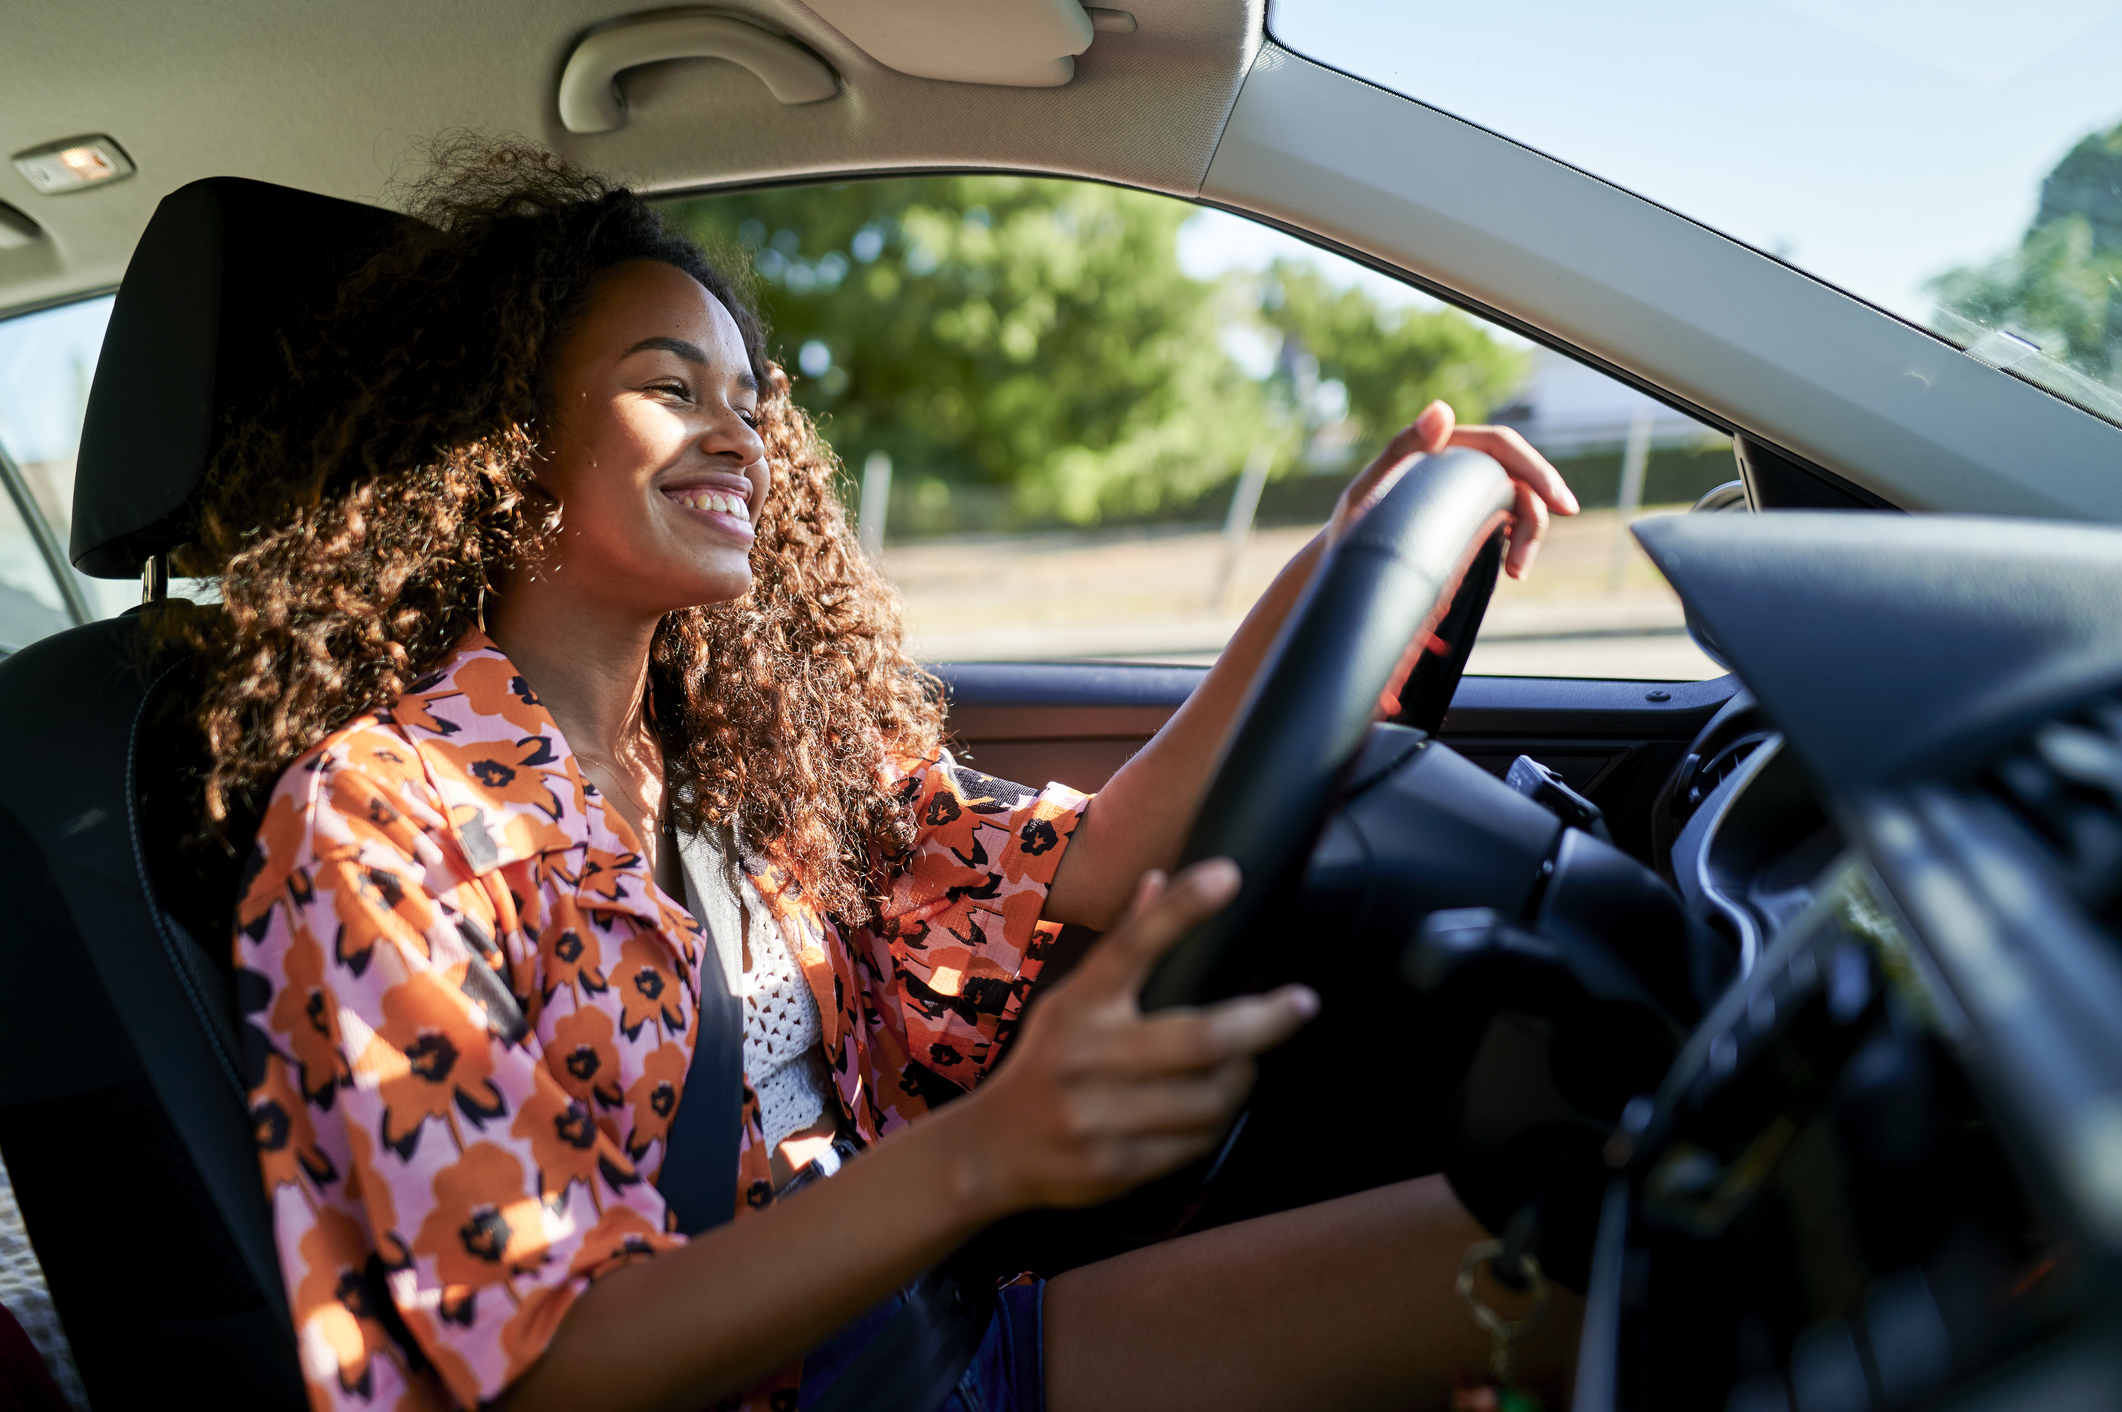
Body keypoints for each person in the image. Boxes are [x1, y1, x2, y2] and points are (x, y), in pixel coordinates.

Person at [186, 146, 1582, 1412]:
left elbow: (1099, 857)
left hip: (927, 1341)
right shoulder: (380, 814)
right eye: (671, 389)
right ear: (509, 436)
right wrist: (984, 1157)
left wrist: (1338, 562)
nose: (738, 437)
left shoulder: (750, 754)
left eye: (747, 399)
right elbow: (547, 1367)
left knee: (1591, 1254)